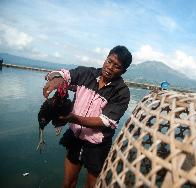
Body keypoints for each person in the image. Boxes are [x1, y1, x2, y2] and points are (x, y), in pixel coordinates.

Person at [43, 45, 132, 188]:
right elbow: (64, 74)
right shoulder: (86, 73)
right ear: (105, 58)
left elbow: (104, 121)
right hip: (75, 137)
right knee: (68, 183)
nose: (110, 67)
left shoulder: (122, 93)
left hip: (97, 145)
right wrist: (55, 79)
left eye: (117, 66)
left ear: (123, 71)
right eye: (109, 61)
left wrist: (73, 118)